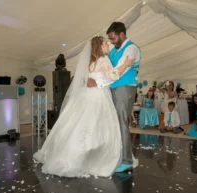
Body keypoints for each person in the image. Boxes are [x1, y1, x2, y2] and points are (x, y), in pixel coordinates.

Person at [33, 36, 136, 177]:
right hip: (99, 97)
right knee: (98, 126)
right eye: (106, 43)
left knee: (82, 124)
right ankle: (94, 157)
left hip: (87, 96)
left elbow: (89, 80)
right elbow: (112, 76)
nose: (108, 45)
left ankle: (75, 155)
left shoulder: (91, 62)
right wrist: (126, 64)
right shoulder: (103, 60)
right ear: (99, 46)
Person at [87, 22, 141, 173]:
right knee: (114, 123)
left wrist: (96, 81)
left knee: (121, 122)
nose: (110, 42)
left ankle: (127, 160)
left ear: (121, 35)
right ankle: (118, 155)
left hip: (124, 87)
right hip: (111, 88)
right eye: (108, 40)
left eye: (112, 38)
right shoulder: (113, 51)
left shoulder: (131, 48)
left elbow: (118, 72)